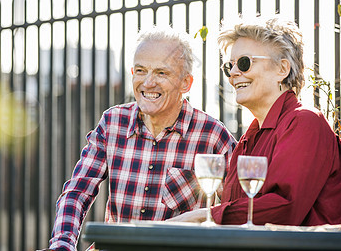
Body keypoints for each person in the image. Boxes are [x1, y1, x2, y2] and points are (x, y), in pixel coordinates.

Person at [47, 26, 237, 251]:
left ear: (185, 83)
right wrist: (62, 245)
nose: (147, 83)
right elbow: (77, 193)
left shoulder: (212, 135)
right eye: (140, 70)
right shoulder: (113, 123)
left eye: (161, 73)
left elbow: (237, 210)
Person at [168, 17, 341, 226]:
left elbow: (284, 208)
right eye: (229, 66)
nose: (234, 74)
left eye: (244, 63)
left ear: (282, 69)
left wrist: (204, 216)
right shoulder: (251, 138)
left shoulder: (305, 122)